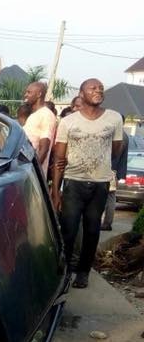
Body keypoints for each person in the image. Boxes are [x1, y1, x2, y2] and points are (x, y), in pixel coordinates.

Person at [51, 78, 123, 288]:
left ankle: (83, 272)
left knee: (92, 231)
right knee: (69, 230)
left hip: (100, 184)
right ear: (81, 94)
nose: (98, 90)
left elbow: (116, 149)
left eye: (101, 87)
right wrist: (56, 191)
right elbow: (59, 159)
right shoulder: (68, 122)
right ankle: (62, 272)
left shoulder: (114, 118)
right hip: (74, 183)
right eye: (93, 88)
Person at [22, 81, 57, 172]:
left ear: (39, 94)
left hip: (33, 173)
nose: (25, 95)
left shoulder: (46, 115)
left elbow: (44, 148)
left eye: (29, 92)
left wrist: (33, 171)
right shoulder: (34, 114)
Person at [101, 128, 129, 231]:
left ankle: (104, 223)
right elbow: (124, 158)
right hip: (114, 171)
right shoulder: (125, 136)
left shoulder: (113, 134)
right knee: (111, 197)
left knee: (102, 196)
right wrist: (120, 175)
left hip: (105, 169)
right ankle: (107, 223)